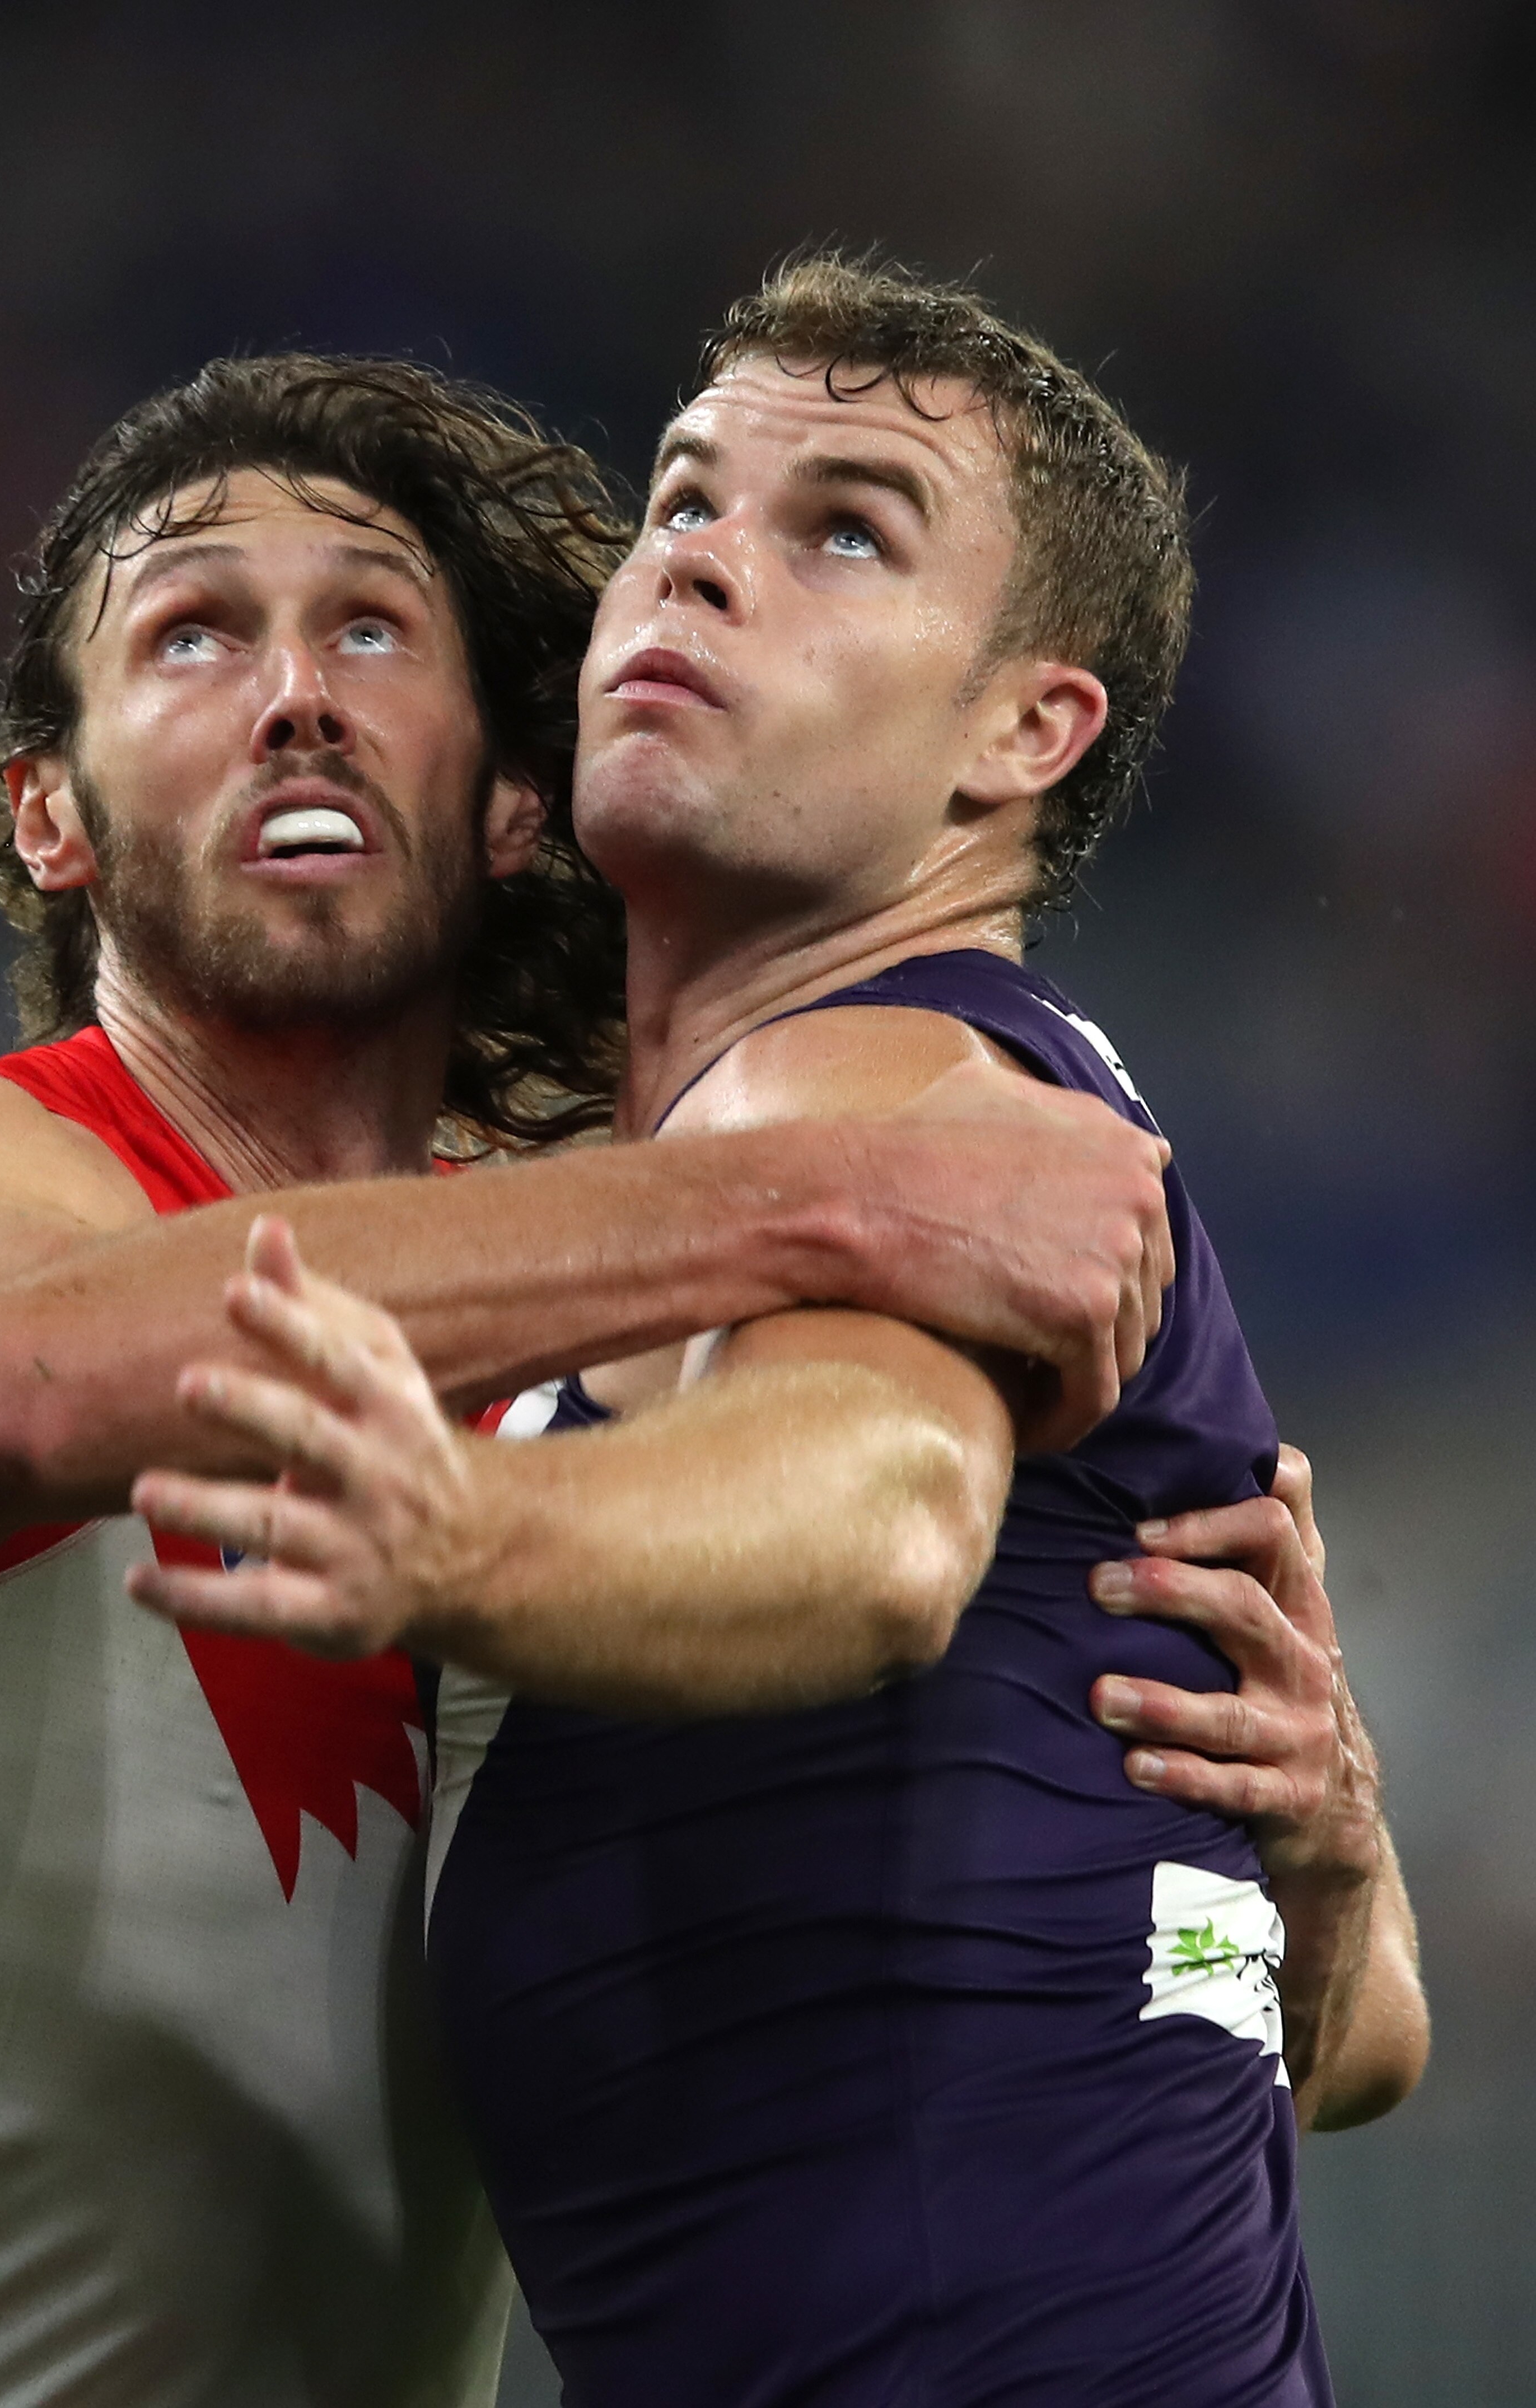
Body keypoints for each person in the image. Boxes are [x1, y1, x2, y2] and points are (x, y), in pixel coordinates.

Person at [0, 357, 1180, 2408]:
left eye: (366, 626)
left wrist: (1318, 1863)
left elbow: (1098, 1872)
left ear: (510, 803)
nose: (293, 692)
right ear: (48, 816)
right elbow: (4, 1386)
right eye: (190, 633)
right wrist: (844, 1192)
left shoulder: (614, 1335)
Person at [126, 260, 1428, 2406]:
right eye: (683, 499)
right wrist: (1330, 1860)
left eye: (846, 527)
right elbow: (1351, 2043)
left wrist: (442, 1541)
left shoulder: (906, 1098)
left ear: (1026, 728)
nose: (704, 559)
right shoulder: (803, 1174)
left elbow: (879, 1533)